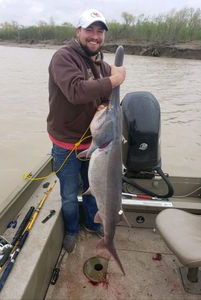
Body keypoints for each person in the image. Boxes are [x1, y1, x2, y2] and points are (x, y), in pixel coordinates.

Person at [47, 8, 126, 253]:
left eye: (100, 31)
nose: (95, 36)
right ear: (78, 31)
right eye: (89, 30)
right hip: (66, 144)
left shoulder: (102, 67)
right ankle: (72, 229)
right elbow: (76, 91)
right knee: (70, 195)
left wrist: (107, 95)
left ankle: (94, 224)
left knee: (94, 192)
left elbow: (103, 96)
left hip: (97, 146)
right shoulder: (63, 57)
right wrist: (116, 79)